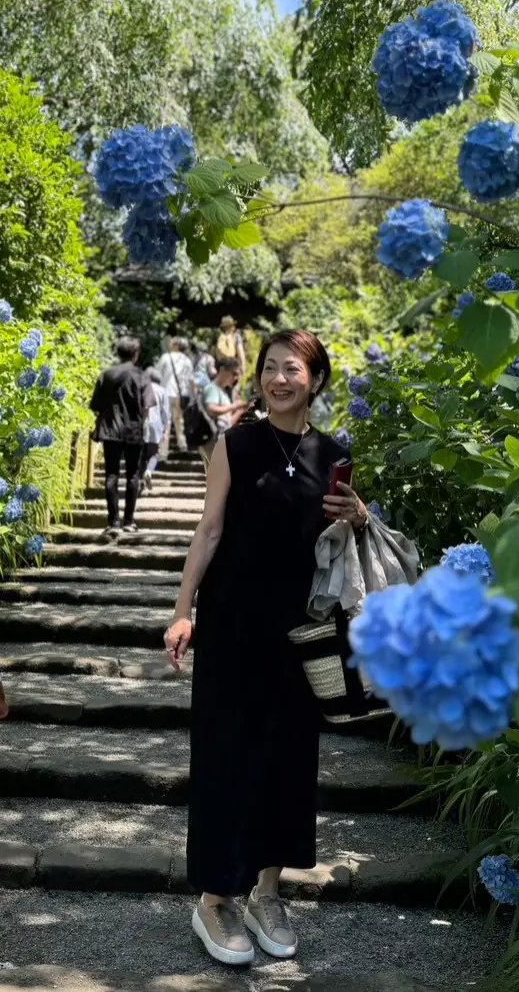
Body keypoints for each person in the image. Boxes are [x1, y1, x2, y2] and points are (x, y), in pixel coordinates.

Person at [164, 329, 369, 967]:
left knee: (288, 758)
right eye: (271, 368)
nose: (279, 379)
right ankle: (215, 899)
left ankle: (268, 891)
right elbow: (210, 527)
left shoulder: (334, 453)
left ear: (316, 379)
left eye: (293, 369)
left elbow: (336, 545)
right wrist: (181, 610)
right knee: (226, 754)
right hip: (230, 625)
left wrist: (358, 517)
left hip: (300, 634)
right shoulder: (234, 444)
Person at [90, 336, 156, 535]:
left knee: (111, 475)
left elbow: (96, 406)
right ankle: (129, 521)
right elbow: (147, 407)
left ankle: (113, 522)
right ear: (136, 354)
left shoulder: (106, 375)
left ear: (118, 353)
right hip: (134, 431)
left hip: (110, 430)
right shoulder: (141, 376)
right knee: (133, 475)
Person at [198, 358, 245, 471]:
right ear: (223, 370)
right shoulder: (212, 389)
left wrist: (240, 410)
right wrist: (234, 407)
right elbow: (212, 409)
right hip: (212, 438)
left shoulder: (222, 391)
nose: (235, 378)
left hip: (221, 438)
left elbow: (227, 421)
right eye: (233, 374)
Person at [156, 337, 194, 455]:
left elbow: (157, 374)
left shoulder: (165, 357)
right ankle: (182, 445)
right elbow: (190, 380)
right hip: (181, 395)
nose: (169, 345)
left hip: (166, 393)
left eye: (172, 343)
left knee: (165, 422)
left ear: (176, 346)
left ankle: (163, 451)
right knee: (179, 420)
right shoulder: (187, 360)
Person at [140, 367, 171, 493]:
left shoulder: (141, 388)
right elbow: (166, 414)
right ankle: (148, 471)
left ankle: (140, 479)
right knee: (154, 453)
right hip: (155, 425)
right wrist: (166, 431)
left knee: (141, 453)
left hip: (140, 424)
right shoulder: (162, 391)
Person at [215, 316, 246, 380]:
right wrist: (243, 365)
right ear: (232, 327)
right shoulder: (236, 337)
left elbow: (218, 355)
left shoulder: (221, 337)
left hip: (223, 368)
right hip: (234, 367)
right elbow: (240, 351)